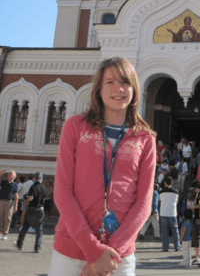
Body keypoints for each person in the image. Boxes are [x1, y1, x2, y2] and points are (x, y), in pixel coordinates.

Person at [47, 56, 156, 276]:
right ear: (98, 88)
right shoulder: (76, 127)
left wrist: (108, 255)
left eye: (125, 82)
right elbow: (63, 192)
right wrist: (93, 250)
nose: (119, 88)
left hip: (118, 258)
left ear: (134, 89)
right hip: (71, 252)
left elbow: (144, 203)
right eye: (110, 82)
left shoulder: (144, 138)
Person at [13, 171, 46, 253]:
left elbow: (30, 198)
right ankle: (37, 247)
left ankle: (19, 244)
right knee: (39, 229)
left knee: (25, 227)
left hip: (32, 208)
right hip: (41, 209)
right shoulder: (44, 188)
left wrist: (25, 199)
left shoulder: (33, 187)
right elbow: (44, 199)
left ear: (34, 178)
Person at [159, 175, 180, 252]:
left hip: (163, 212)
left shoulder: (161, 192)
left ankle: (165, 247)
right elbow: (177, 202)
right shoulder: (176, 192)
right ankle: (177, 246)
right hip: (172, 212)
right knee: (175, 230)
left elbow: (160, 201)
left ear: (165, 183)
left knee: (164, 232)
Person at [0, 169, 18, 240]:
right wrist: (0, 173)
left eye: (12, 174)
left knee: (8, 218)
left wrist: (16, 205)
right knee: (0, 217)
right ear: (7, 176)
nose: (11, 175)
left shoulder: (15, 184)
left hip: (9, 202)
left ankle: (5, 234)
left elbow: (16, 195)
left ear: (14, 176)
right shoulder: (3, 182)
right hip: (1, 201)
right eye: (10, 173)